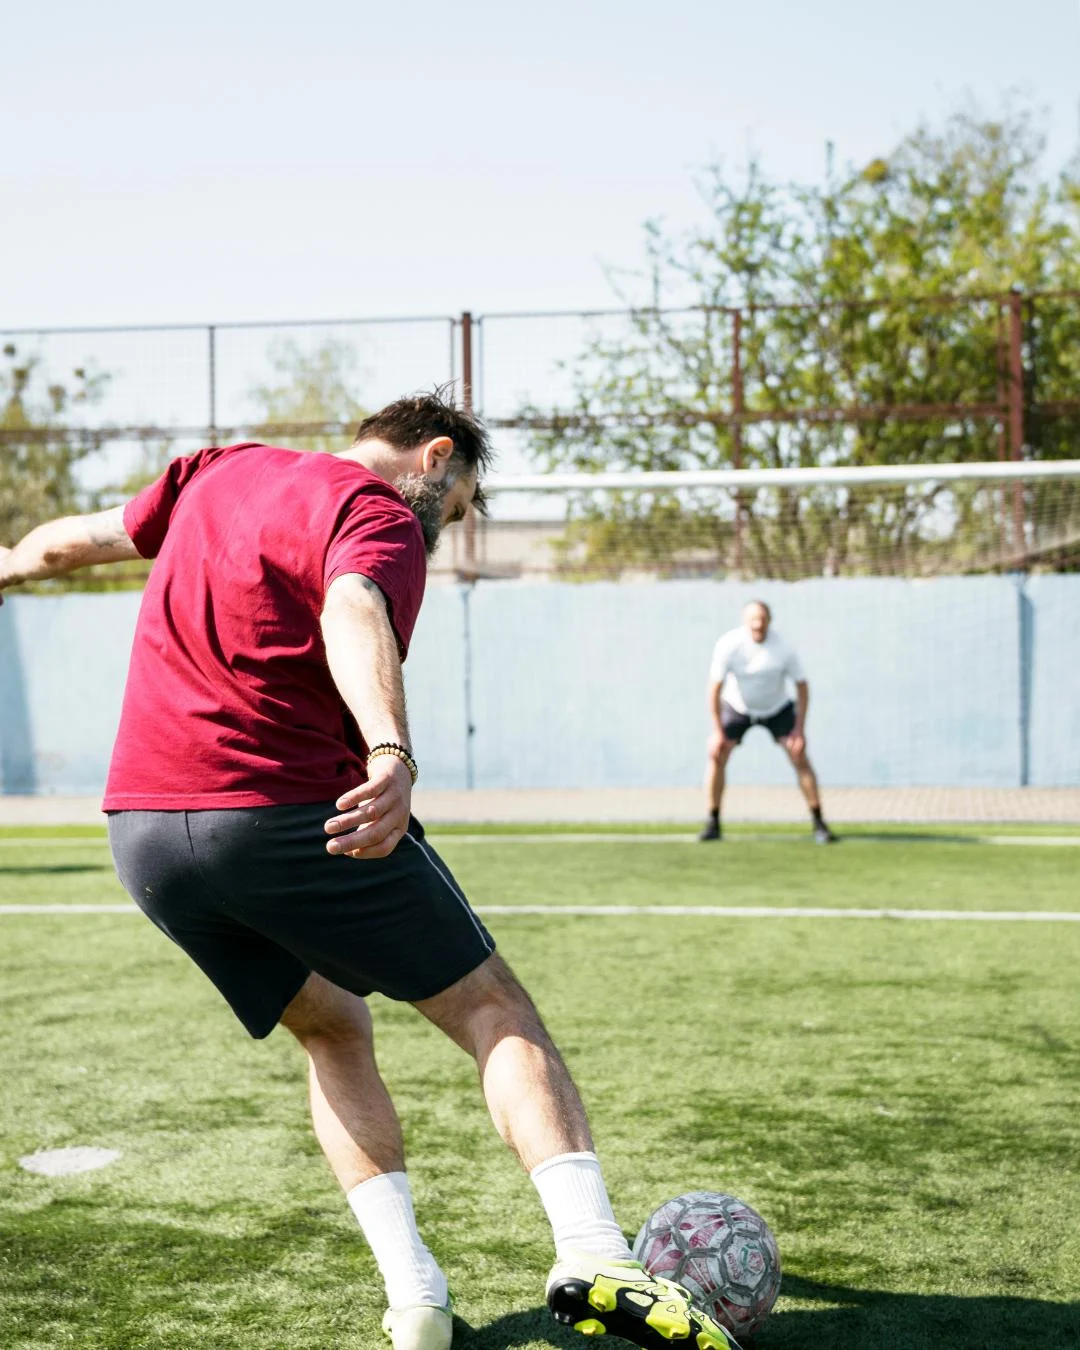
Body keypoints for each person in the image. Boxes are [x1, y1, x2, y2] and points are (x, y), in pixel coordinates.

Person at [0, 391, 740, 1350]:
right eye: (463, 503)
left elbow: (69, 544)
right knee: (493, 1010)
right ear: (435, 457)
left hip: (143, 834)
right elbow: (354, 605)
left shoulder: (214, 471)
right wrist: (389, 753)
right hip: (279, 812)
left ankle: (416, 1300)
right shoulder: (379, 511)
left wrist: (11, 564)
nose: (453, 526)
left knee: (332, 1027)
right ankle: (595, 1254)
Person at [700, 600, 836, 845]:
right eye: (753, 618)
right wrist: (717, 731)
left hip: (777, 709)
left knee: (799, 756)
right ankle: (713, 821)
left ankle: (819, 822)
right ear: (745, 621)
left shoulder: (783, 647)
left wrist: (799, 730)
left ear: (769, 621)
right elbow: (714, 689)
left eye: (762, 619)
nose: (758, 623)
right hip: (737, 707)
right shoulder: (729, 644)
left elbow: (802, 687)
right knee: (717, 755)